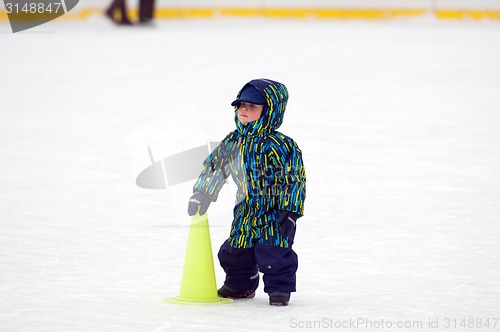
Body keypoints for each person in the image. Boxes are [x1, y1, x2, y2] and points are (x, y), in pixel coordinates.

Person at [187, 79, 306, 306]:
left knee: (274, 251)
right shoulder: (234, 141)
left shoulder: (281, 145)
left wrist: (290, 210)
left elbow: (294, 179)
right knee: (235, 250)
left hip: (274, 211)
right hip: (245, 208)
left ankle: (279, 289)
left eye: (252, 106)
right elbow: (216, 167)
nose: (244, 109)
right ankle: (240, 283)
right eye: (241, 104)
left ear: (269, 111)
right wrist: (202, 193)